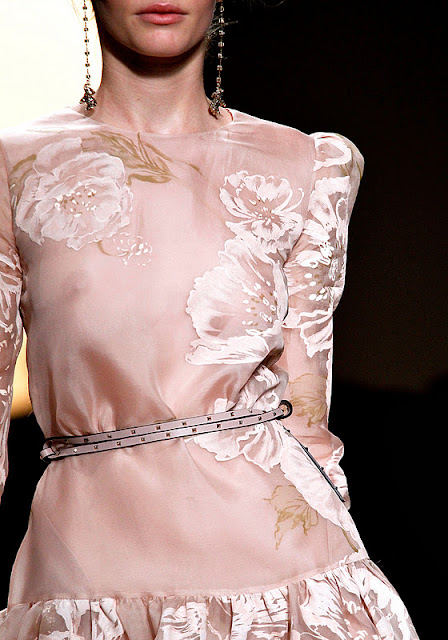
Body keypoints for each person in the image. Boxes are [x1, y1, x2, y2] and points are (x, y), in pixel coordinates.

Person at [0, 1, 419, 638]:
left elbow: (308, 424)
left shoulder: (305, 166)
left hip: (289, 584)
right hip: (88, 572)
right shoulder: (13, 169)